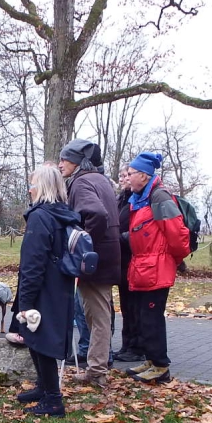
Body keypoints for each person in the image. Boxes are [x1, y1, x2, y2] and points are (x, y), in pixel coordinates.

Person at [15, 164, 80, 417]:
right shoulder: (61, 214)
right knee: (36, 338)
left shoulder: (40, 217)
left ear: (40, 187)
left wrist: (26, 302)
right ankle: (44, 387)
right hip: (58, 285)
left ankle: (53, 399)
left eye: (32, 184)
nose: (29, 190)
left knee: (41, 339)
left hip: (43, 287)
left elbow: (33, 262)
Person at [58, 138, 121, 388]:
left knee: (97, 317)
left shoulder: (82, 182)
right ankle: (96, 368)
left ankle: (97, 371)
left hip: (95, 262)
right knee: (97, 315)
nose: (60, 164)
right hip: (104, 259)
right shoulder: (99, 179)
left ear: (76, 162)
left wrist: (82, 245)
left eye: (64, 159)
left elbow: (97, 214)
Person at [123, 152, 190, 383]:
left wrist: (175, 260)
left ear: (144, 175)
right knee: (143, 317)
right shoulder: (142, 197)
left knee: (152, 319)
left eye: (130, 174)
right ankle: (151, 360)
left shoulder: (159, 197)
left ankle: (160, 366)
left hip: (156, 269)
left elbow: (177, 234)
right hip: (144, 267)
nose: (127, 178)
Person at [112, 166, 143, 363]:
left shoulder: (137, 201)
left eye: (127, 175)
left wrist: (120, 237)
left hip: (133, 258)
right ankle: (127, 344)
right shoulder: (121, 200)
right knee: (126, 305)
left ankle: (136, 347)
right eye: (122, 176)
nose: (124, 179)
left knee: (134, 306)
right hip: (122, 260)